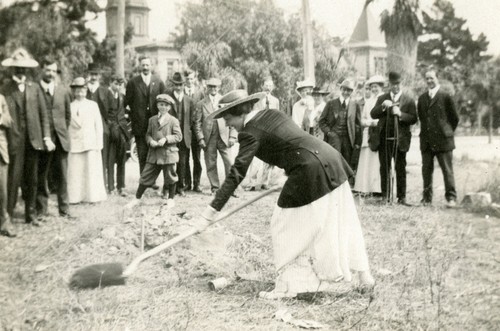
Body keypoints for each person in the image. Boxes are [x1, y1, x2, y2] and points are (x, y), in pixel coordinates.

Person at [193, 89, 375, 299]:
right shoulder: (272, 114)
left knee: (282, 225)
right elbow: (290, 143)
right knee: (344, 219)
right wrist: (287, 174)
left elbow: (236, 173)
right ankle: (365, 276)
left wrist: (209, 214)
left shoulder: (249, 133)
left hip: (310, 169)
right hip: (331, 159)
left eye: (228, 118)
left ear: (241, 112)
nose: (227, 124)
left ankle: (288, 287)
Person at [1, 48, 52, 226]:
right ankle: (7, 215)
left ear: (27, 70)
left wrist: (46, 137)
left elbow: (44, 114)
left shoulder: (35, 87)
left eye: (24, 68)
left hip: (33, 140)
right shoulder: (5, 89)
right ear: (12, 69)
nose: (21, 71)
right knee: (13, 179)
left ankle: (30, 215)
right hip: (13, 140)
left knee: (32, 179)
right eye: (18, 68)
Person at [126, 94, 182, 209]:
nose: (163, 107)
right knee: (145, 176)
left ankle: (171, 199)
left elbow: (178, 136)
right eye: (161, 105)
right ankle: (137, 198)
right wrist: (150, 141)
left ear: (169, 107)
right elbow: (148, 134)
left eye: (166, 105)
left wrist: (166, 139)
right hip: (154, 154)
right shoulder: (152, 120)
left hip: (168, 154)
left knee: (170, 177)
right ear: (157, 105)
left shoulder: (173, 120)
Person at [370, 72, 417, 205]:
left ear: (401, 83)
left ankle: (401, 197)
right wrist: (383, 106)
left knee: (400, 168)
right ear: (389, 84)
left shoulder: (408, 99)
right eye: (393, 84)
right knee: (384, 168)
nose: (395, 87)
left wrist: (400, 114)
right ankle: (386, 196)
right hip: (384, 139)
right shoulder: (382, 98)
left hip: (400, 139)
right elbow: (373, 114)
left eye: (397, 84)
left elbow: (414, 118)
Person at [36, 58, 72, 219]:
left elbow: (67, 116)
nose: (50, 73)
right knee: (42, 175)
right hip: (43, 140)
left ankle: (64, 209)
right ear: (42, 70)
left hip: (61, 139)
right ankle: (41, 210)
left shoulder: (63, 90)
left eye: (53, 71)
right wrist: (45, 136)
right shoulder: (35, 90)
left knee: (63, 175)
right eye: (47, 70)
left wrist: (60, 131)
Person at [417, 70, 459, 207]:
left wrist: (446, 131)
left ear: (437, 79)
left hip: (443, 141)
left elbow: (454, 118)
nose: (429, 81)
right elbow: (422, 119)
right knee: (426, 170)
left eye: (432, 78)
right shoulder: (422, 98)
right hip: (427, 141)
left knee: (447, 170)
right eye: (427, 78)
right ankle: (427, 199)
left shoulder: (445, 96)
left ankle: (451, 198)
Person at [193, 78, 237, 194]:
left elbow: (233, 119)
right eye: (211, 87)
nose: (213, 89)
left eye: (215, 87)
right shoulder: (201, 104)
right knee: (211, 163)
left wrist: (232, 136)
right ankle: (215, 187)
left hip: (224, 136)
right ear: (207, 88)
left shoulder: (226, 101)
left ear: (219, 88)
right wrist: (200, 138)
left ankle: (230, 188)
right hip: (209, 138)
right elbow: (197, 123)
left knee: (229, 162)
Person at [67, 77, 107, 204]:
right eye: (77, 90)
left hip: (90, 142)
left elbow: (98, 125)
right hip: (74, 142)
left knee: (91, 171)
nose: (80, 93)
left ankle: (93, 196)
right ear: (73, 91)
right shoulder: (70, 106)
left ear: (86, 91)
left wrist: (99, 143)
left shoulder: (92, 105)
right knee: (75, 170)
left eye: (82, 90)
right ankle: (75, 197)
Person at [125, 56, 166, 176]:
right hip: (139, 125)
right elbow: (127, 103)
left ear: (151, 66)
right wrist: (133, 117)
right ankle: (144, 180)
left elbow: (164, 100)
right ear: (140, 66)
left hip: (155, 124)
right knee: (142, 153)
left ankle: (152, 179)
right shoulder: (133, 82)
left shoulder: (158, 81)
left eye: (147, 65)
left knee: (154, 153)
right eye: (143, 65)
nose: (145, 67)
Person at [319, 79, 362, 173]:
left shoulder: (355, 105)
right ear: (340, 89)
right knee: (334, 163)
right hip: (334, 138)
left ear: (352, 92)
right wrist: (329, 133)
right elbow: (321, 121)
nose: (346, 92)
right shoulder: (331, 103)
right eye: (344, 89)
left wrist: (358, 142)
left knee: (347, 165)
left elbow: (358, 125)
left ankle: (346, 186)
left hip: (348, 139)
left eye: (349, 90)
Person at [245, 77, 280, 191]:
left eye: (270, 85)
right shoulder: (256, 99)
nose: (268, 88)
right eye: (266, 85)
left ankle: (265, 182)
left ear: (273, 87)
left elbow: (277, 116)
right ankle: (252, 183)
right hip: (258, 130)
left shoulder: (275, 101)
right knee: (255, 157)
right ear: (262, 86)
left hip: (270, 131)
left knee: (268, 158)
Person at [354, 75, 385, 196]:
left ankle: (378, 189)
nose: (374, 89)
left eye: (376, 87)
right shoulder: (368, 101)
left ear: (381, 87)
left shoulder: (384, 99)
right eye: (372, 87)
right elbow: (363, 120)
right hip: (369, 133)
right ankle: (366, 188)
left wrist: (377, 123)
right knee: (367, 161)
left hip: (380, 134)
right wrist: (370, 123)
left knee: (377, 162)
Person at [85, 63, 114, 191]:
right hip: (85, 128)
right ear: (88, 75)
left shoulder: (105, 91)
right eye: (91, 74)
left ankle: (101, 185)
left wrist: (107, 125)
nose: (93, 77)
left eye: (96, 74)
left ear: (99, 76)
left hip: (101, 128)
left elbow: (112, 111)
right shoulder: (83, 90)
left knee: (102, 156)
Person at [167, 72, 196, 196]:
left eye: (180, 85)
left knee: (183, 163)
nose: (178, 87)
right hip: (171, 136)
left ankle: (180, 187)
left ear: (184, 85)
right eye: (176, 85)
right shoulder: (168, 99)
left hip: (184, 137)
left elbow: (191, 119)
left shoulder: (189, 100)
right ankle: (169, 187)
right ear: (172, 85)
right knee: (170, 162)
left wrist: (187, 131)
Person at [107, 75, 131, 196]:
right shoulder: (106, 96)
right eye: (116, 83)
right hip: (111, 132)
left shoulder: (122, 96)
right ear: (111, 83)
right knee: (110, 160)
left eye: (120, 84)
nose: (118, 86)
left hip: (122, 131)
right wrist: (111, 127)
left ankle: (121, 187)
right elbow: (104, 114)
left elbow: (125, 112)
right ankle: (111, 187)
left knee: (122, 160)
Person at [184, 70, 205, 192]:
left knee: (197, 158)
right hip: (185, 130)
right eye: (187, 79)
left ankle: (197, 184)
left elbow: (203, 111)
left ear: (194, 79)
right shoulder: (181, 92)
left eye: (191, 79)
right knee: (185, 158)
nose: (189, 81)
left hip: (196, 130)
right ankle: (187, 183)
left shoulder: (200, 93)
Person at [0, 93, 16, 237]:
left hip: (1, 151)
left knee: (2, 190)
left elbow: (9, 120)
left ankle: (4, 224)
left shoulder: (1, 98)